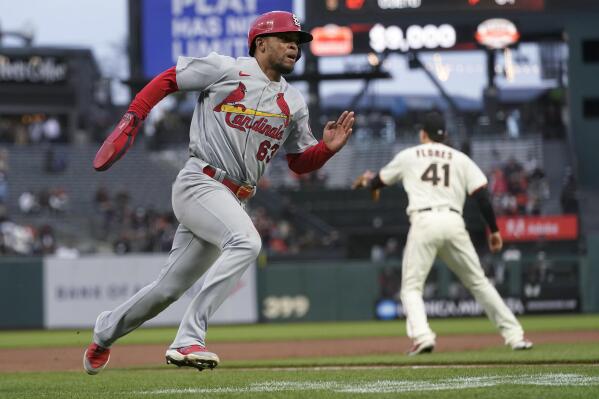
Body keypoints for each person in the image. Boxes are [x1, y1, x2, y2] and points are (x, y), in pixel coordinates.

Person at [83, 10, 354, 375]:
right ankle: (188, 339)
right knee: (246, 242)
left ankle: (104, 331)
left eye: (298, 41)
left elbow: (298, 162)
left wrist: (327, 150)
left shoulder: (294, 103)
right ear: (260, 43)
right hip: (200, 181)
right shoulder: (226, 69)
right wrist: (133, 116)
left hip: (234, 197)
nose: (295, 45)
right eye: (287, 38)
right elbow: (168, 79)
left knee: (167, 289)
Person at [352, 112, 532, 356]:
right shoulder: (460, 159)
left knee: (411, 288)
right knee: (479, 282)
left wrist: (367, 181)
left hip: (424, 221)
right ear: (444, 136)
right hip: (453, 221)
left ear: (422, 134)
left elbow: (378, 183)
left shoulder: (409, 155)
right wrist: (495, 230)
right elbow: (482, 197)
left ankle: (423, 336)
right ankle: (516, 336)